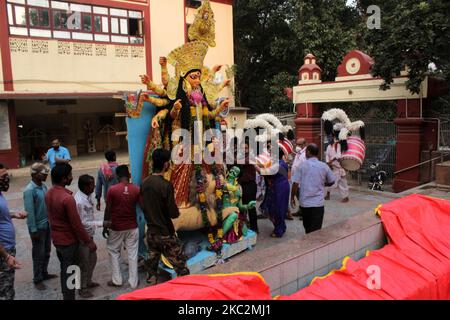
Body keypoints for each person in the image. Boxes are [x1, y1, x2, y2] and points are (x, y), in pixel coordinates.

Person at [45, 163, 97, 300]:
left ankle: (68, 294)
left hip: (57, 240)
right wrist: (88, 242)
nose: (71, 178)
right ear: (63, 178)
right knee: (71, 271)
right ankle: (69, 296)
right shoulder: (67, 199)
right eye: (69, 176)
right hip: (69, 241)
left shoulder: (49, 193)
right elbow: (77, 224)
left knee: (65, 269)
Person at [141, 149, 189, 285]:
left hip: (151, 233)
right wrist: (178, 211)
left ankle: (152, 291)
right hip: (165, 234)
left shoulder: (145, 183)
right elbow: (173, 213)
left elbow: (144, 205)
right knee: (182, 269)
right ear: (166, 164)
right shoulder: (165, 185)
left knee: (151, 271)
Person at [103, 165, 141, 289]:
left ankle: (117, 280)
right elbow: (143, 206)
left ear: (117, 177)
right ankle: (133, 282)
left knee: (114, 251)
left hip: (116, 227)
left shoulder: (112, 190)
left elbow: (108, 209)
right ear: (129, 175)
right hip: (132, 226)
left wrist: (105, 225)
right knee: (132, 253)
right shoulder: (136, 189)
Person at [75, 174, 110, 298]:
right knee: (83, 262)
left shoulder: (87, 196)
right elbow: (82, 222)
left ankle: (87, 281)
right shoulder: (79, 201)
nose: (94, 187)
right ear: (85, 186)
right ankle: (81, 287)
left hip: (89, 234)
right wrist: (102, 223)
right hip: (83, 235)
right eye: (92, 185)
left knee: (92, 258)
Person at [23, 163, 57, 291]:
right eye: (43, 174)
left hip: (47, 224)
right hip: (38, 228)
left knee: (47, 251)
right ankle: (37, 279)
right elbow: (29, 212)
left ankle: (44, 272)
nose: (46, 176)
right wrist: (33, 230)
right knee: (38, 253)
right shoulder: (29, 190)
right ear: (34, 174)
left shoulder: (43, 186)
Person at [291, 144, 336, 234]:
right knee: (316, 231)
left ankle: (310, 246)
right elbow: (332, 181)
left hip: (305, 204)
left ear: (308, 152)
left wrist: (292, 198)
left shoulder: (302, 166)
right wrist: (323, 183)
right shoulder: (324, 166)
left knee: (307, 229)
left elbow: (295, 183)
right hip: (318, 204)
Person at [0, 164, 28, 300]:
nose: (6, 179)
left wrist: (14, 214)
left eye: (7, 176)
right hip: (3, 250)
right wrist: (6, 256)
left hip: (7, 248)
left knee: (7, 284)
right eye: (2, 177)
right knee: (6, 289)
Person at [258, 141, 292, 238]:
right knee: (279, 207)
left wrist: (255, 165)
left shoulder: (277, 164)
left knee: (277, 208)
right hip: (281, 186)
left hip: (279, 188)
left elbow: (264, 172)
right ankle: (281, 226)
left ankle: (278, 230)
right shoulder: (280, 162)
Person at [325, 132, 349, 203]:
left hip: (339, 167)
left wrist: (331, 161)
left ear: (333, 137)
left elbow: (338, 156)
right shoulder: (329, 146)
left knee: (343, 183)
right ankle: (328, 194)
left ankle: (345, 197)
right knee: (332, 182)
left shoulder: (338, 145)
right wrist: (328, 164)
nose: (329, 138)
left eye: (330, 137)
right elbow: (327, 156)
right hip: (332, 167)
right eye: (328, 137)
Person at [290, 138, 307, 218]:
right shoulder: (299, 152)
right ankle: (301, 211)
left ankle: (305, 213)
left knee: (302, 196)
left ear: (304, 144)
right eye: (297, 144)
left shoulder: (306, 153)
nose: (297, 146)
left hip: (302, 179)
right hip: (295, 177)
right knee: (298, 195)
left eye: (299, 144)